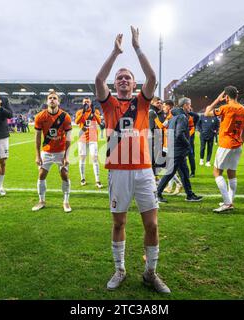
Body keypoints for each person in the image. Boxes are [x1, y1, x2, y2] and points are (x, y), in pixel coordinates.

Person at [95, 26, 170, 293]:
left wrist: (137, 47)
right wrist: (115, 53)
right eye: (120, 78)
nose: (123, 80)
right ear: (115, 85)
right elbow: (97, 79)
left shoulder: (143, 101)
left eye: (127, 77)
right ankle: (120, 269)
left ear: (134, 84)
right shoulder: (109, 104)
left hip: (143, 170)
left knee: (152, 224)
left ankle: (151, 272)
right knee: (119, 222)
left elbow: (152, 76)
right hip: (118, 171)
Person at [204, 86, 244, 213]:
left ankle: (226, 203)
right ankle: (230, 201)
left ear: (226, 97)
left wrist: (217, 100)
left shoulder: (225, 107)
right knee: (231, 173)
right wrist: (241, 142)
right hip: (237, 145)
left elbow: (207, 112)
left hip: (225, 144)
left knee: (217, 172)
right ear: (237, 96)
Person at [156, 97, 203, 203]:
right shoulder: (181, 116)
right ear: (185, 105)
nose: (190, 107)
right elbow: (179, 134)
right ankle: (157, 194)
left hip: (175, 147)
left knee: (184, 173)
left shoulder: (175, 115)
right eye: (189, 105)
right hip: (178, 149)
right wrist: (188, 145)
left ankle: (189, 195)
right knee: (170, 172)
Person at [32, 91, 73, 213]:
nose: (52, 100)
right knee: (41, 175)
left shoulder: (65, 116)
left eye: (54, 98)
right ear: (47, 101)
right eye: (50, 98)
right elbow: (37, 137)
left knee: (64, 175)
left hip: (61, 152)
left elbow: (69, 138)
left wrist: (67, 156)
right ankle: (41, 201)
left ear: (58, 101)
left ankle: (66, 202)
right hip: (47, 152)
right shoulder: (40, 116)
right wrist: (37, 155)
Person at [75, 97, 103, 188]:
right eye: (84, 102)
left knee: (94, 158)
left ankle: (97, 180)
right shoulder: (79, 112)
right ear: (82, 103)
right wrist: (83, 113)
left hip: (93, 138)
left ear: (90, 103)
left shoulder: (96, 111)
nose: (86, 103)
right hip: (82, 138)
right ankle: (82, 178)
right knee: (82, 158)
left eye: (87, 102)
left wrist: (94, 113)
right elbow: (76, 122)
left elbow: (99, 122)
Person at [187, 106, 199, 177]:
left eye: (190, 110)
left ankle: (193, 172)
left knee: (191, 157)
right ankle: (184, 172)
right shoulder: (183, 117)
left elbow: (197, 115)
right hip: (183, 140)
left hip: (190, 142)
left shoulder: (194, 119)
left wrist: (189, 111)